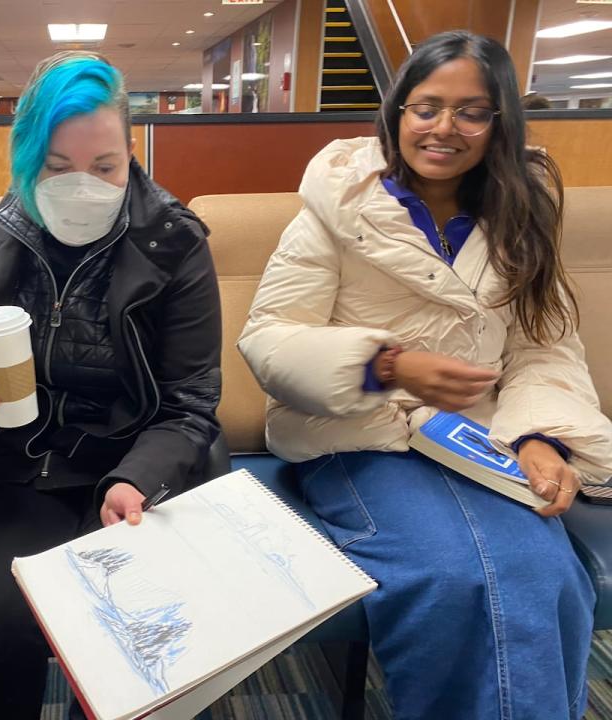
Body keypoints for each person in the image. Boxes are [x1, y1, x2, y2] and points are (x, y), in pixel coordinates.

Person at [238, 31, 612, 720]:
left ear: (500, 124)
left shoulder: (522, 212)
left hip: (479, 440)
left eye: (472, 111)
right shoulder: (337, 210)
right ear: (397, 113)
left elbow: (544, 346)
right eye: (426, 107)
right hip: (359, 437)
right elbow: (269, 341)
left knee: (548, 575)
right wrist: (386, 365)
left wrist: (540, 437)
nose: (444, 128)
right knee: (452, 576)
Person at [0, 51, 222, 719]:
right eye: (58, 168)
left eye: (104, 167)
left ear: (131, 151)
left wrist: (136, 479)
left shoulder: (173, 242)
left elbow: (191, 403)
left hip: (142, 467)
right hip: (28, 462)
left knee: (136, 641)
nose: (83, 186)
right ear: (27, 162)